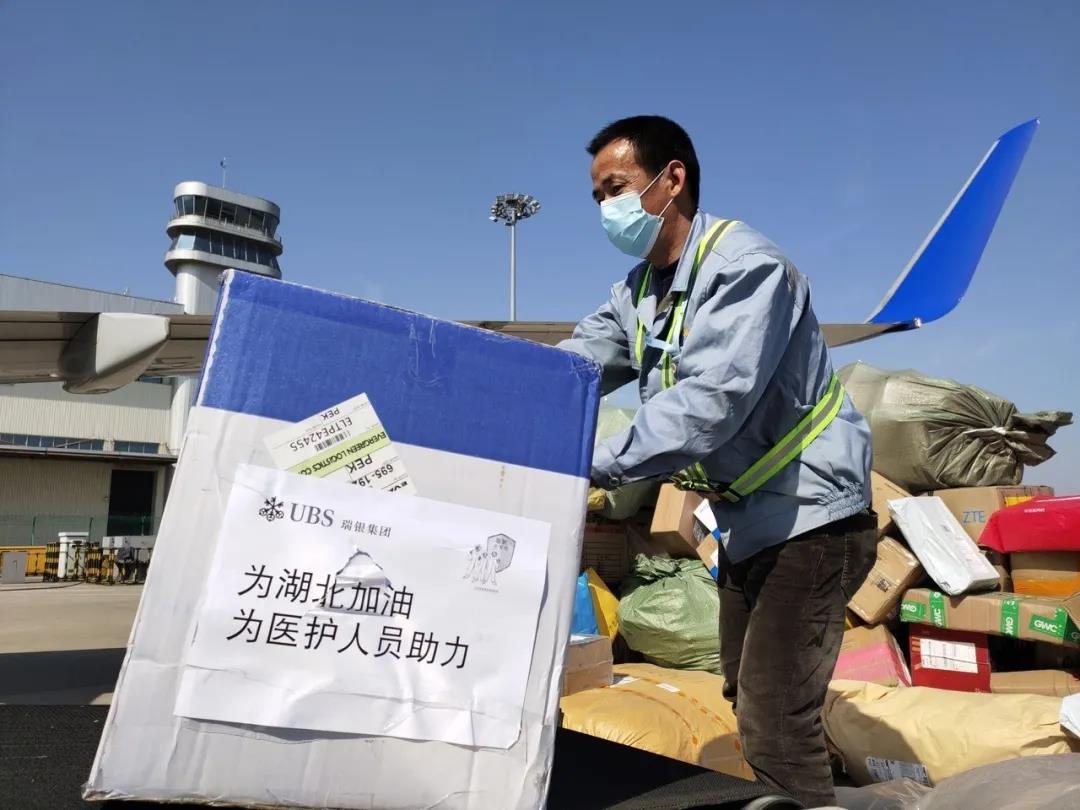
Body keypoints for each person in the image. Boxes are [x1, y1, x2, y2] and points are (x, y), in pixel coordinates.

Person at [559, 115, 877, 806]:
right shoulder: (637, 292)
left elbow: (708, 405)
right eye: (597, 196)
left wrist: (583, 462)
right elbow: (572, 367)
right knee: (745, 687)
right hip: (748, 521)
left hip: (813, 518)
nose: (606, 207)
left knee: (775, 721)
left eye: (616, 188)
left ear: (672, 178)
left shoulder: (746, 268)